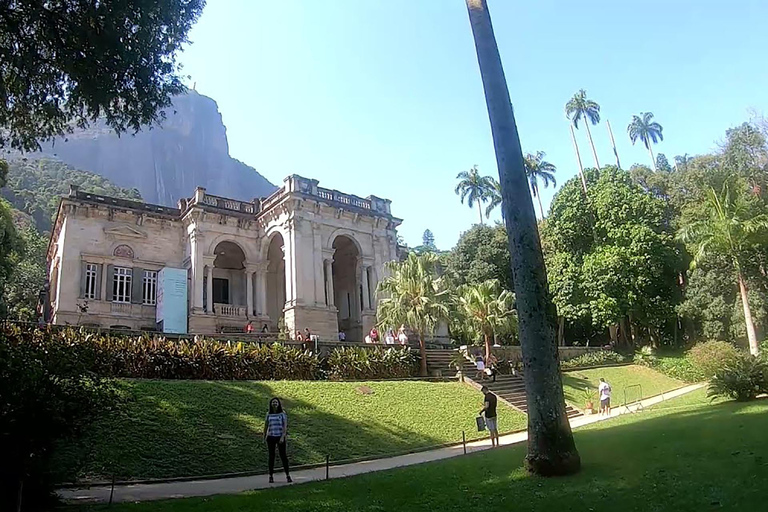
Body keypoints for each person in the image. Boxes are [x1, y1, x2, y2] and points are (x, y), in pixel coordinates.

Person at [262, 397, 292, 483]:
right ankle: (271, 476)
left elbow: (285, 426)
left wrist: (283, 436)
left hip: (280, 437)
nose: (274, 404)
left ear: (278, 404)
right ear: (271, 404)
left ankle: (288, 475)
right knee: (271, 456)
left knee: (283, 456)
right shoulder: (268, 414)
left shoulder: (282, 414)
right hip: (271, 437)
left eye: (276, 402)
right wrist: (264, 437)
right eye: (273, 402)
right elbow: (266, 426)